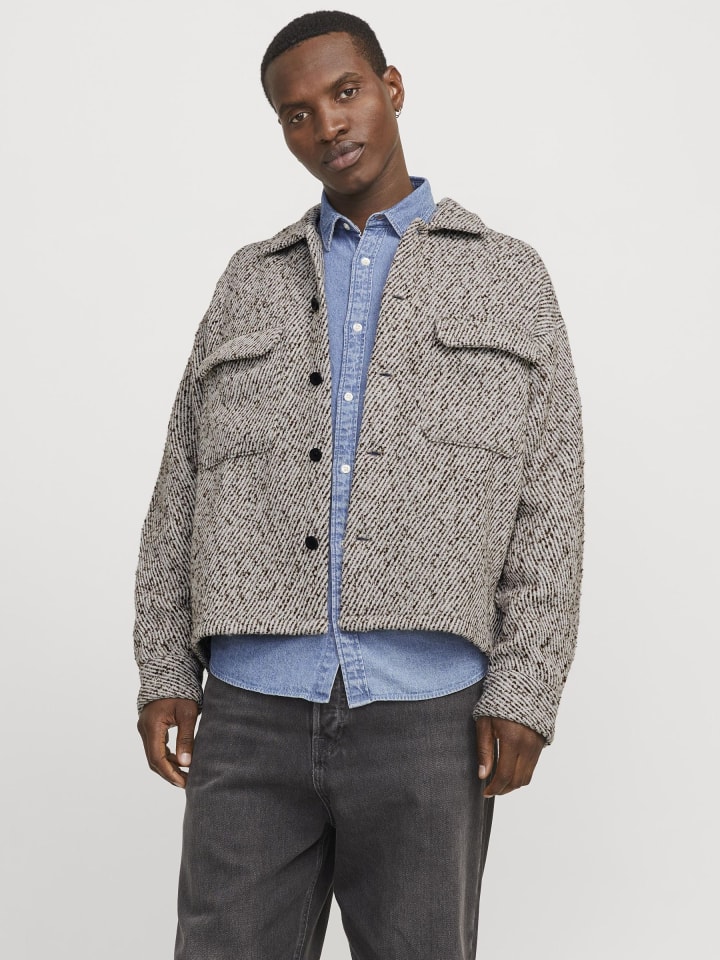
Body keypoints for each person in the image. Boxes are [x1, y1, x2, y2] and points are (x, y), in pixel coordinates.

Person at [133, 10, 584, 960]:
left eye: (345, 93)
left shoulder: (508, 277)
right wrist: (165, 669)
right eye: (296, 113)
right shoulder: (248, 280)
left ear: (392, 87)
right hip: (249, 708)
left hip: (430, 713)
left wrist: (529, 686)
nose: (328, 125)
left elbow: (551, 494)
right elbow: (181, 484)